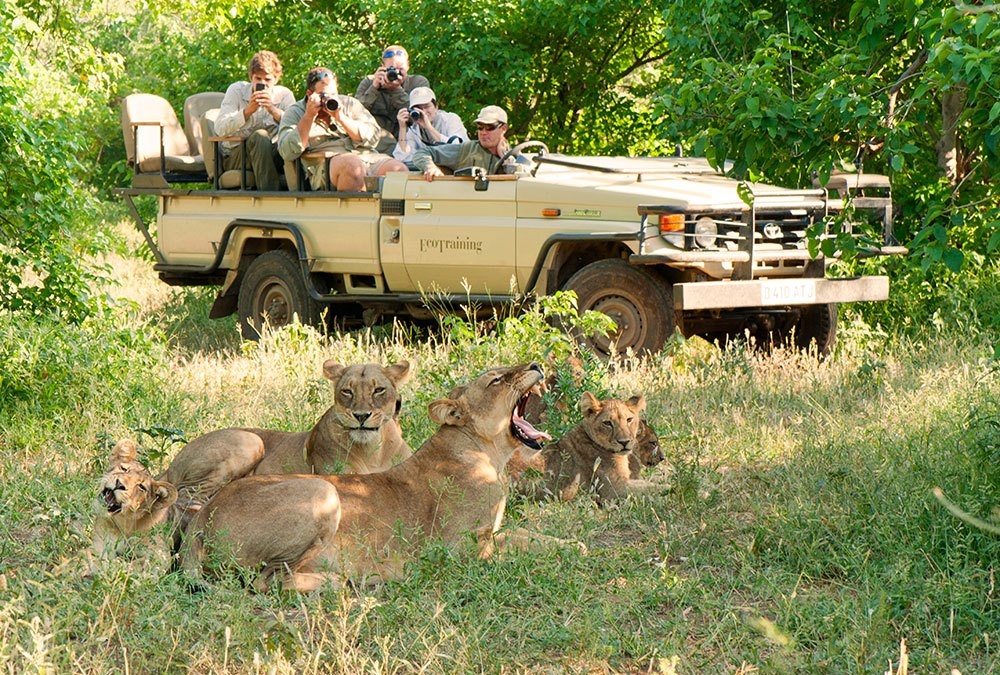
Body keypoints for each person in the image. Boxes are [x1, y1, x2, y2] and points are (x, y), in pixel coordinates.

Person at [277, 67, 407, 192]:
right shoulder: (295, 113)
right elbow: (287, 151)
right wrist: (309, 116)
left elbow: (373, 137)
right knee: (352, 167)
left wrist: (341, 117)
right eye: (324, 95)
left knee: (399, 172)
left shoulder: (349, 103)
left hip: (364, 156)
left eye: (334, 94)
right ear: (310, 94)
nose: (330, 98)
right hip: (324, 165)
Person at [214, 50, 296, 191]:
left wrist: (273, 110)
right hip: (238, 155)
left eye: (268, 80)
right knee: (260, 136)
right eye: (258, 79)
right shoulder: (236, 91)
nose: (263, 83)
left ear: (276, 79)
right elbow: (220, 128)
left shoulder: (284, 95)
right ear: (251, 77)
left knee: (293, 142)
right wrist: (247, 112)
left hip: (270, 153)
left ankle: (307, 190)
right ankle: (270, 198)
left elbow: (296, 128)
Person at [355, 45, 431, 153]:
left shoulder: (418, 83)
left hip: (410, 141)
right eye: (391, 69)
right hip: (377, 143)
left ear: (408, 66)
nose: (396, 73)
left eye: (400, 69)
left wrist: (396, 90)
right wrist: (374, 88)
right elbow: (355, 113)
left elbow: (421, 115)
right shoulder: (369, 81)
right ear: (382, 67)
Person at [412, 105, 517, 181]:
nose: (483, 133)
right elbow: (422, 153)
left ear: (504, 129)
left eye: (490, 128)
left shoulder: (515, 156)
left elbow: (519, 180)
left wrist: (503, 155)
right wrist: (430, 168)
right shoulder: (466, 150)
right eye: (480, 128)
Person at [392, 87, 468, 168]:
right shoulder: (414, 128)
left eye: (426, 106)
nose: (423, 112)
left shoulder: (451, 119)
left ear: (436, 107)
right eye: (419, 109)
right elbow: (401, 157)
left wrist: (429, 127)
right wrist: (402, 128)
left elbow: (457, 148)